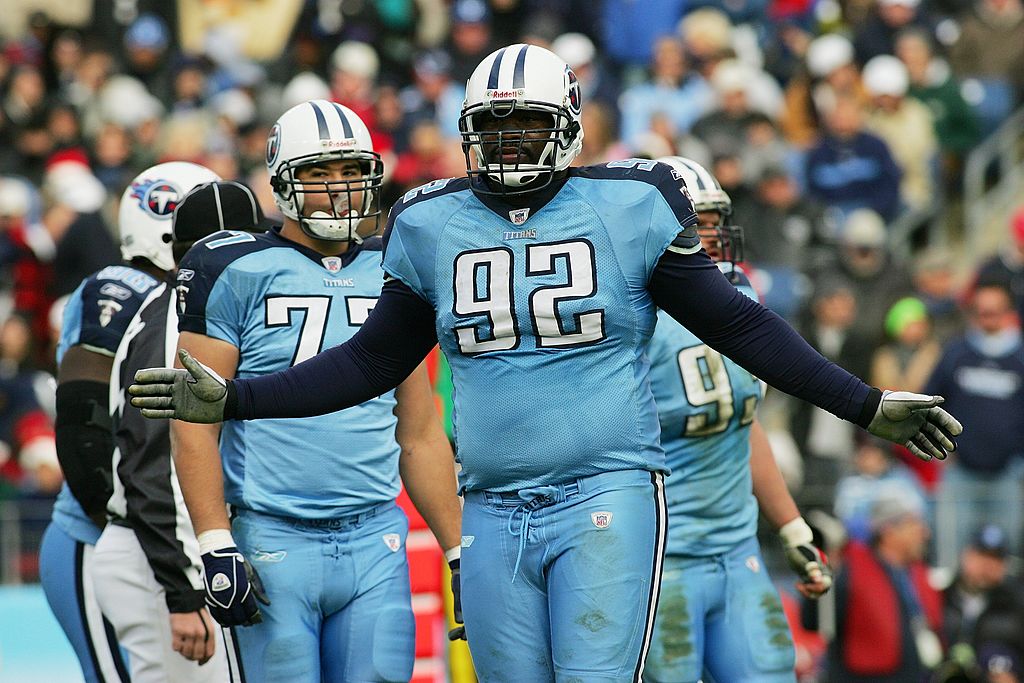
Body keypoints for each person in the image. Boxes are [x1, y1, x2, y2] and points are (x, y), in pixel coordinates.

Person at [131, 46, 962, 682]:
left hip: (606, 487)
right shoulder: (428, 220)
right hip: (491, 506)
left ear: (567, 123)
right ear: (468, 132)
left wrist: (862, 401)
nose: (511, 141)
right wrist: (236, 400)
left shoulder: (631, 204)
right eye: (494, 127)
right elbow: (369, 363)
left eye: (527, 123)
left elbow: (740, 326)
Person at [162, 100, 462, 682]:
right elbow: (196, 418)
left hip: (376, 533)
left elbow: (419, 433)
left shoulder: (394, 267)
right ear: (282, 182)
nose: (338, 188)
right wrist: (216, 541)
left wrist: (456, 549)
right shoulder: (235, 266)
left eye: (351, 171)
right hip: (272, 532)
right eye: (318, 174)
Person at [643, 157, 832, 683]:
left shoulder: (740, 293)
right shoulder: (628, 317)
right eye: (690, 225)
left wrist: (792, 527)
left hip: (736, 547)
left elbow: (743, 425)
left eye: (712, 223)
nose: (707, 238)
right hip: (657, 560)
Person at [39, 159, 221, 683]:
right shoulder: (119, 288)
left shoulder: (198, 298)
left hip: (162, 541)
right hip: (99, 536)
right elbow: (84, 430)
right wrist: (138, 538)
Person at [92, 180, 263, 681]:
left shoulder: (186, 308)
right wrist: (183, 590)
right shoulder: (179, 319)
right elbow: (154, 461)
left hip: (165, 549)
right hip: (160, 558)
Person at [927, 281, 1024, 568]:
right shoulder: (956, 353)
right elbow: (931, 401)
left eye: (994, 312)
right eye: (981, 313)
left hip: (1008, 475)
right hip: (961, 474)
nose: (987, 320)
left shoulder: (1019, 357)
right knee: (952, 561)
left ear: (1008, 313)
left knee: (1006, 563)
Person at [828, 490, 943, 682]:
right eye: (914, 523)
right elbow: (817, 622)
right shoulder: (850, 571)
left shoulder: (917, 572)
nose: (924, 532)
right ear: (889, 530)